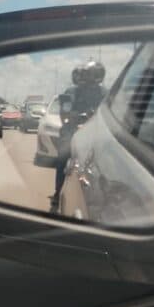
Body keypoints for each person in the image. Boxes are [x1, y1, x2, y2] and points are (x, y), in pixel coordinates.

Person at [49, 60, 106, 213]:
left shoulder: (104, 93)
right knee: (63, 158)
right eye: (85, 74)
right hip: (72, 130)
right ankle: (58, 192)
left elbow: (108, 111)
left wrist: (95, 117)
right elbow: (64, 112)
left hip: (96, 132)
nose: (87, 78)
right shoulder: (71, 92)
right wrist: (71, 116)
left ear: (98, 75)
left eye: (91, 74)